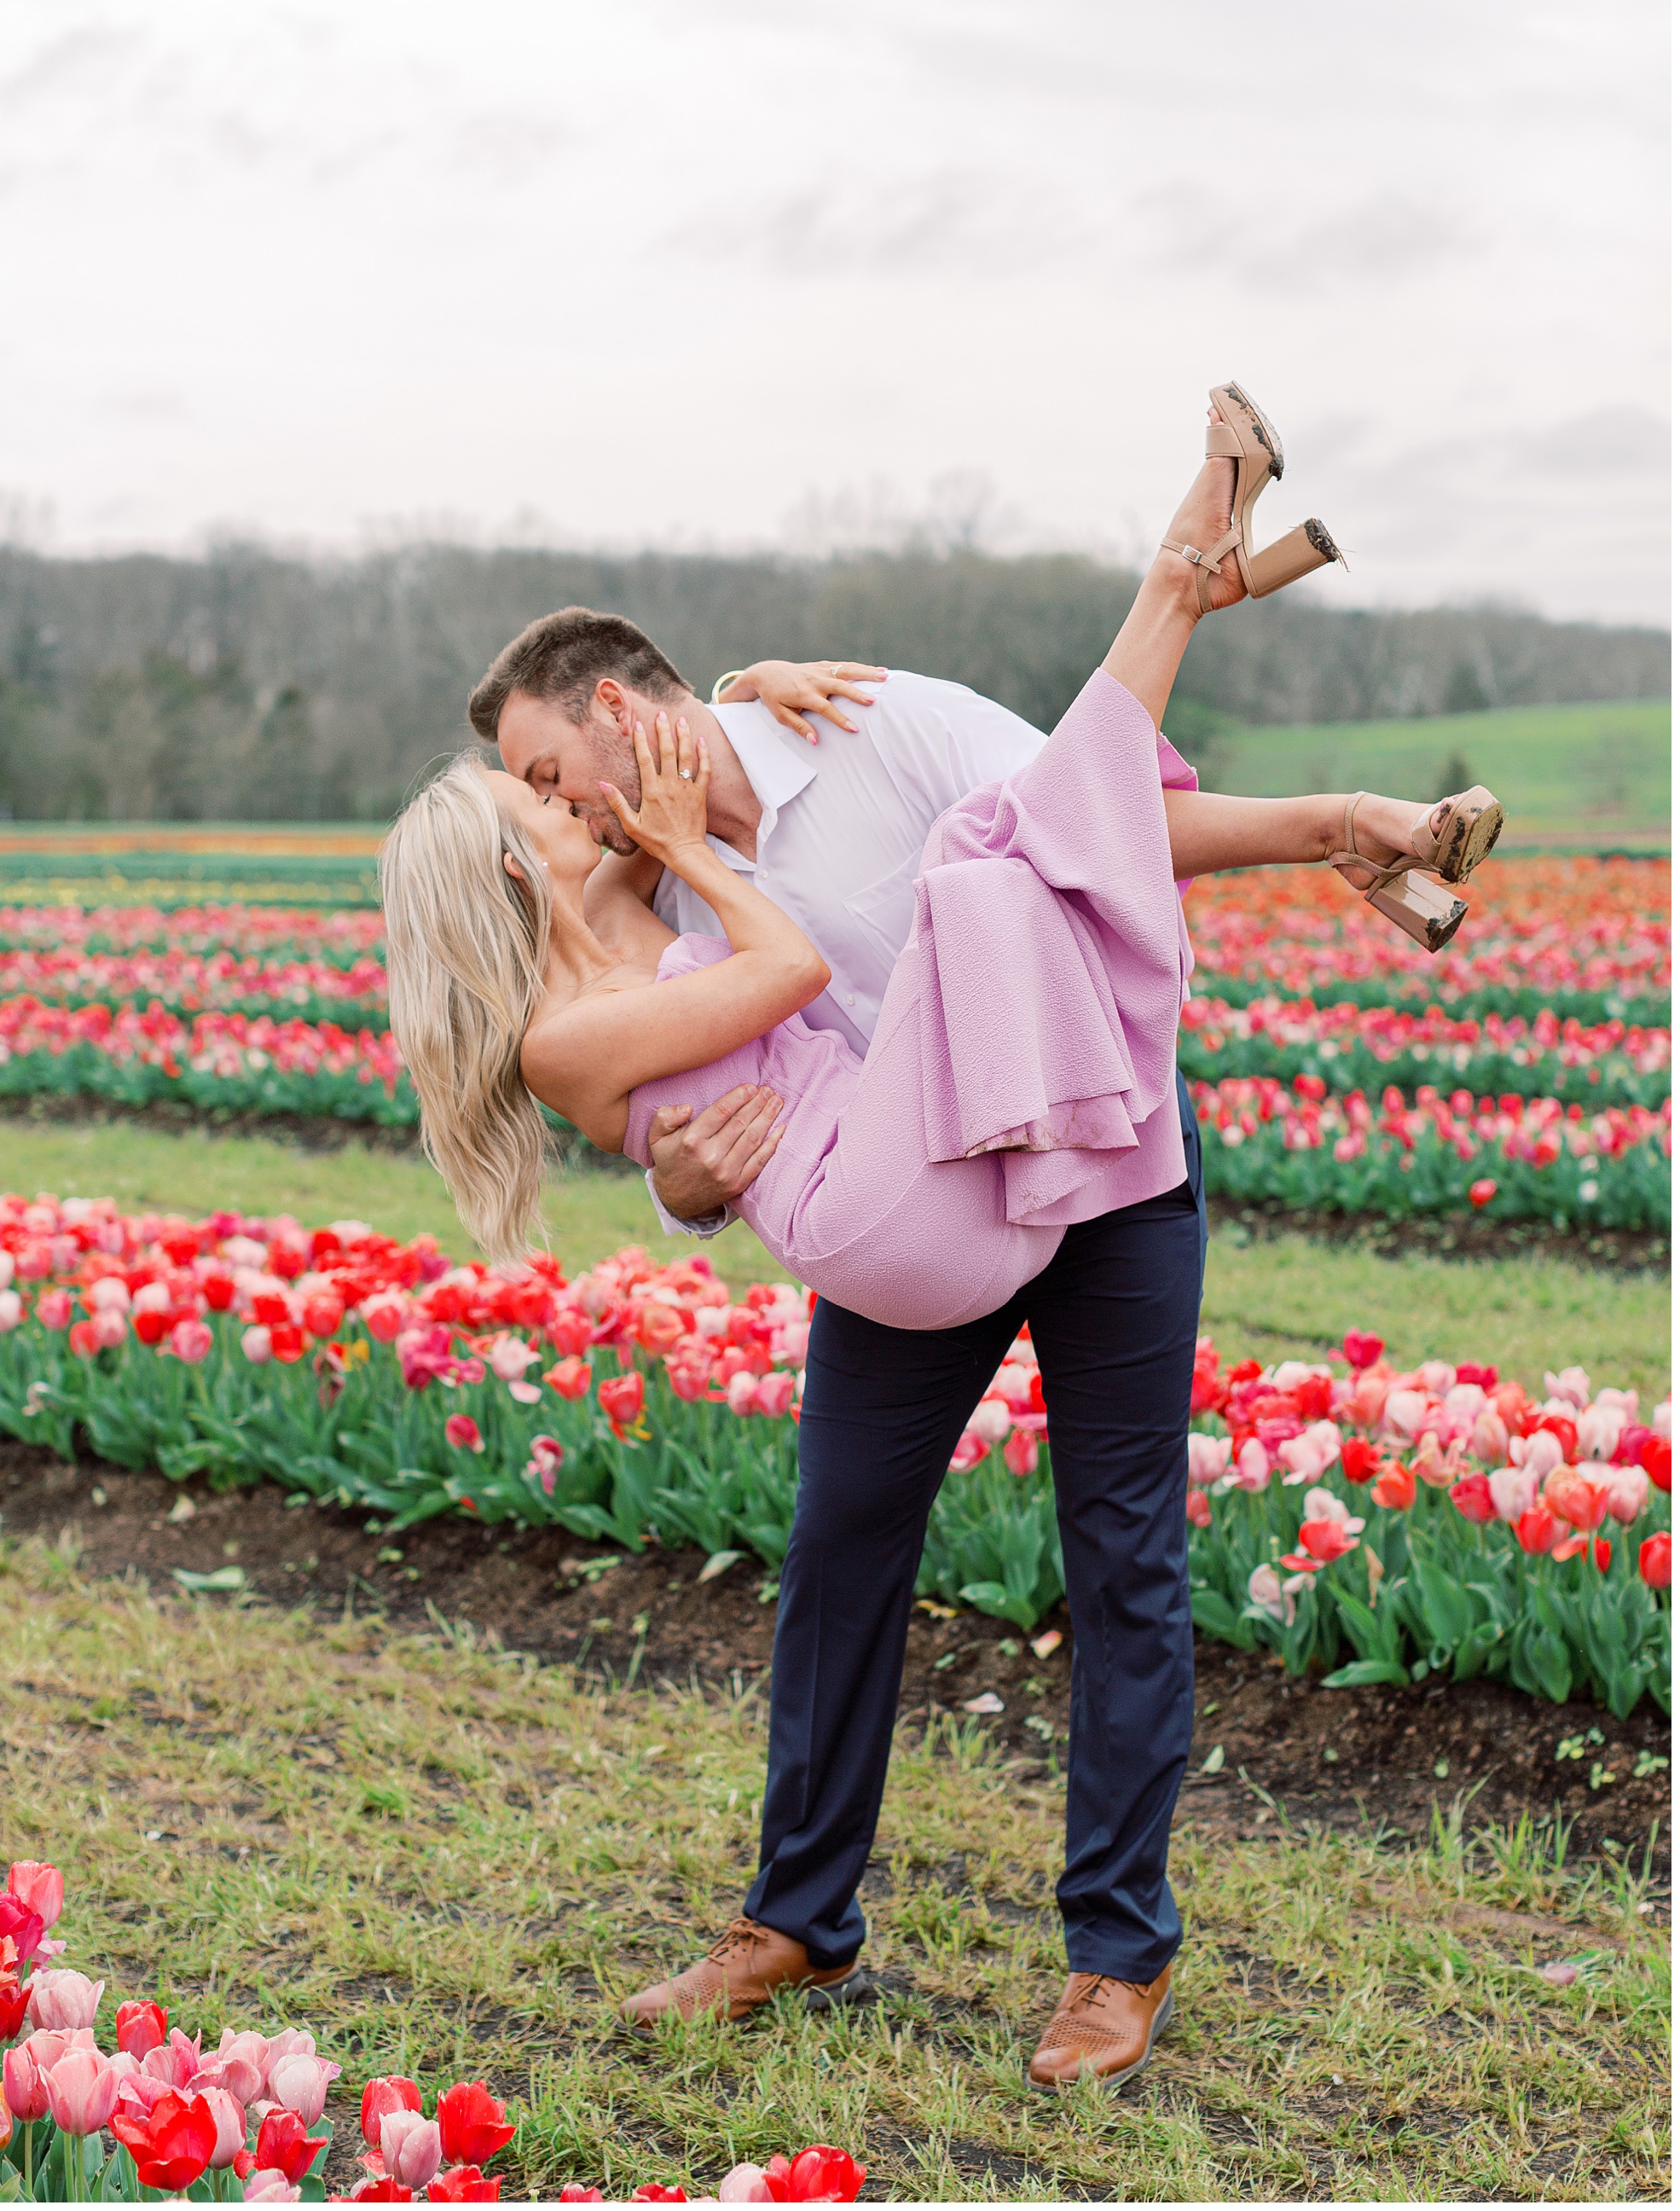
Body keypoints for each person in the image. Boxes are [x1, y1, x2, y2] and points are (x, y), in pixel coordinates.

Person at [383, 389, 1503, 2087]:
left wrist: (1301, 827)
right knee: (840, 1540)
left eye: (550, 772)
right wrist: (686, 1177)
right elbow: (667, 1099)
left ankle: (1116, 1955)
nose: (560, 811)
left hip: (1098, 1154)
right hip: (915, 1207)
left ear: (616, 711)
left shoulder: (876, 724)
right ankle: (796, 1918)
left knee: (1120, 1549)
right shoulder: (651, 881)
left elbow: (1098, 819)